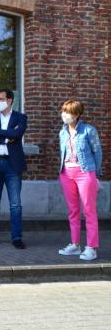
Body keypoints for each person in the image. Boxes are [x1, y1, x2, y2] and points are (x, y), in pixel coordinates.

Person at [0, 89, 28, 249]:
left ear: (10, 101)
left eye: (0, 99)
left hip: (12, 164)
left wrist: (0, 132)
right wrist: (8, 137)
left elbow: (18, 133)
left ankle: (16, 237)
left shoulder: (20, 117)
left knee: (15, 203)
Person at [57, 100, 102, 261]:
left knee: (89, 211)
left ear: (76, 115)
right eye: (63, 111)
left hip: (85, 172)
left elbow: (97, 153)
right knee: (73, 211)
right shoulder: (62, 132)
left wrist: (95, 175)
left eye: (68, 112)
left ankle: (91, 248)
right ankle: (75, 245)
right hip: (66, 173)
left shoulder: (89, 130)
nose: (64, 114)